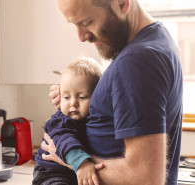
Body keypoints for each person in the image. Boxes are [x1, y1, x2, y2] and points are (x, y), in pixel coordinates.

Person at [43, 0, 183, 185]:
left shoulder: (136, 61)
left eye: (87, 22)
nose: (81, 36)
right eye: (74, 24)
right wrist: (73, 99)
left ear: (122, 3)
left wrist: (68, 160)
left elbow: (146, 178)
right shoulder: (157, 39)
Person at [33, 58, 104, 185]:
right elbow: (65, 140)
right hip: (51, 172)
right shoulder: (61, 120)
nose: (73, 103)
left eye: (81, 97)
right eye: (66, 97)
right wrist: (82, 163)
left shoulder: (94, 119)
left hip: (73, 174)